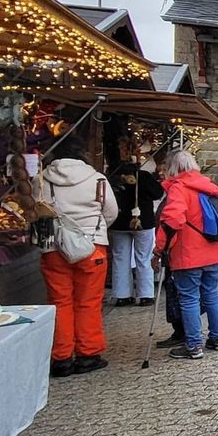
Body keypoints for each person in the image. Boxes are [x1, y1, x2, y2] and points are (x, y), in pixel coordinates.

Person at [34, 139, 119, 377]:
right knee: (88, 301)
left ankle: (61, 358)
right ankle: (88, 354)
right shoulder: (97, 179)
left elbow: (36, 211)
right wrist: (94, 230)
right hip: (91, 247)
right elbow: (111, 212)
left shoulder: (41, 179)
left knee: (59, 302)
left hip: (53, 247)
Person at [152, 150, 218, 360]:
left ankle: (193, 345)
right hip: (213, 250)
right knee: (212, 295)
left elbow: (171, 222)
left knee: (188, 299)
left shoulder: (179, 188)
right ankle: (217, 338)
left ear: (171, 168)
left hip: (189, 253)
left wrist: (159, 250)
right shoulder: (207, 186)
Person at [107, 159, 164, 307]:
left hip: (119, 222)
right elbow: (158, 193)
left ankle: (121, 295)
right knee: (143, 258)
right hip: (142, 221)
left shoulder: (112, 177)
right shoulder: (143, 176)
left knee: (120, 258)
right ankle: (145, 294)